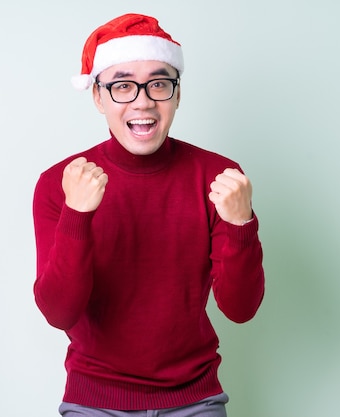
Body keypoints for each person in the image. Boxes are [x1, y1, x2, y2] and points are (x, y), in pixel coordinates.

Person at [33, 13, 265, 416]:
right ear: (98, 97)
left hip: (195, 399)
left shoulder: (218, 177)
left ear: (177, 94)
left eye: (159, 84)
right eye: (123, 86)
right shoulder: (62, 182)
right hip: (94, 401)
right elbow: (59, 312)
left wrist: (241, 225)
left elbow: (240, 310)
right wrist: (77, 216)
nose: (143, 101)